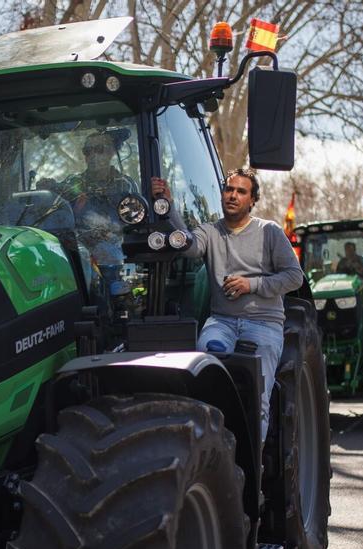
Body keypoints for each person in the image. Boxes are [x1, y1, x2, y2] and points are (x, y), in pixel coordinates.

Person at [154, 167, 304, 442]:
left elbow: (295, 277)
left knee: (258, 398)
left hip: (263, 324)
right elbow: (187, 245)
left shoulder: (269, 231)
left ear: (252, 200)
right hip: (221, 322)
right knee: (206, 369)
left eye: (241, 192)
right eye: (229, 190)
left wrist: (252, 284)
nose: (233, 196)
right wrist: (169, 208)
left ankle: (253, 472)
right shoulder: (209, 231)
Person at [40, 130, 139, 308]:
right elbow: (59, 203)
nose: (92, 155)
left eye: (99, 149)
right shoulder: (73, 183)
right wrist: (50, 187)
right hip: (76, 246)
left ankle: (115, 309)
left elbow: (133, 221)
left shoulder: (125, 184)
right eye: (88, 151)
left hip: (113, 248)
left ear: (111, 153)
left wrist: (108, 232)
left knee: (109, 254)